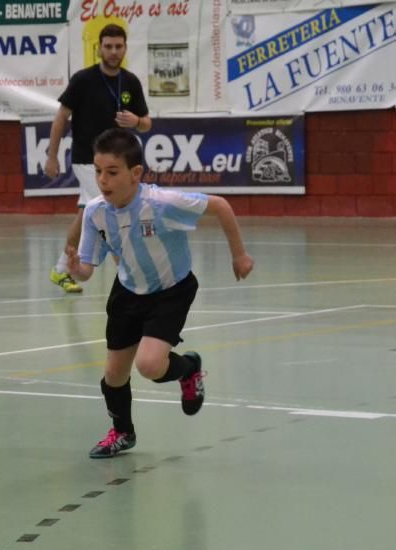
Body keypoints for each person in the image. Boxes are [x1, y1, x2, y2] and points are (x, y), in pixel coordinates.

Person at [65, 129, 254, 458]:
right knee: (113, 376)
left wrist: (239, 255)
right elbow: (87, 268)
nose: (103, 180)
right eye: (97, 172)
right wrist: (75, 270)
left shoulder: (161, 203)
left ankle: (188, 370)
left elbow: (221, 206)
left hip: (171, 291)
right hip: (127, 293)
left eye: (112, 172)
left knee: (150, 366)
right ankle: (123, 433)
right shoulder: (95, 212)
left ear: (135, 173)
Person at [45, 23, 152, 293]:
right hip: (87, 160)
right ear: (99, 48)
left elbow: (147, 123)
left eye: (118, 46)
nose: (113, 51)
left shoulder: (130, 82)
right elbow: (60, 118)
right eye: (108, 46)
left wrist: (136, 120)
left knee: (85, 215)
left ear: (125, 48)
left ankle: (61, 269)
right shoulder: (83, 80)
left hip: (118, 161)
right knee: (112, 209)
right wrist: (52, 155)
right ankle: (129, 272)